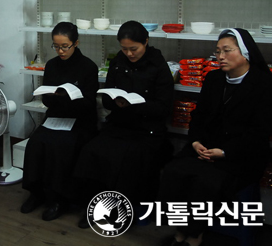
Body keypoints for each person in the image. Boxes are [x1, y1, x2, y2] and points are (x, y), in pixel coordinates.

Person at [158, 28, 272, 246]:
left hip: (241, 155)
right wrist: (196, 141)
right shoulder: (214, 78)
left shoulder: (264, 84)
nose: (220, 57)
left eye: (227, 51)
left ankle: (194, 236)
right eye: (218, 51)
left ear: (245, 52)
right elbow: (199, 116)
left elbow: (259, 132)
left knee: (206, 181)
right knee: (174, 171)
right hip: (205, 146)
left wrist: (225, 152)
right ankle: (180, 229)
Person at [75, 20, 174, 228]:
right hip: (119, 125)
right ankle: (93, 206)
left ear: (146, 42)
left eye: (134, 49)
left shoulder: (158, 65)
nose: (129, 53)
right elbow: (108, 95)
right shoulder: (118, 61)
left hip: (147, 130)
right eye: (124, 48)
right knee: (91, 151)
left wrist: (135, 106)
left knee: (127, 158)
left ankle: (119, 211)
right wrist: (114, 101)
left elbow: (164, 107)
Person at [20, 22, 99, 221]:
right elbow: (46, 98)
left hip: (80, 120)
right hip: (56, 117)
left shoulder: (88, 66)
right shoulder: (52, 65)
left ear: (76, 43)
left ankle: (59, 199)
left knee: (61, 146)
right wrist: (55, 97)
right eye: (56, 46)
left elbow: (90, 103)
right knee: (36, 142)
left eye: (65, 46)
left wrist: (67, 98)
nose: (61, 51)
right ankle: (36, 193)